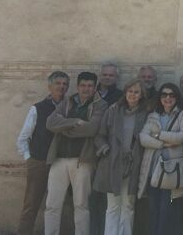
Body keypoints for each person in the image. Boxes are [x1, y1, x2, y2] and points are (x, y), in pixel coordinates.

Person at [45, 71, 107, 235]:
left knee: (81, 205)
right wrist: (74, 122)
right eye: (83, 85)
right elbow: (50, 123)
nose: (86, 89)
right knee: (52, 204)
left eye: (90, 86)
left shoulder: (101, 105)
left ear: (95, 88)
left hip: (83, 161)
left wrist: (64, 128)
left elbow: (92, 129)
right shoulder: (67, 101)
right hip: (58, 159)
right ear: (77, 86)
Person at [93, 79, 150, 235]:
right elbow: (100, 136)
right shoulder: (113, 110)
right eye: (130, 91)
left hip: (133, 165)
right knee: (112, 206)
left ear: (141, 95)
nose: (132, 95)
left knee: (128, 205)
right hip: (113, 165)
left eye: (136, 92)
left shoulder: (146, 114)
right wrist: (106, 150)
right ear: (125, 93)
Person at [16, 70, 69, 235]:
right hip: (39, 161)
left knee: (57, 204)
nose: (61, 87)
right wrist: (29, 158)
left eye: (65, 84)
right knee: (31, 203)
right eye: (58, 83)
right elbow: (23, 137)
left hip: (61, 162)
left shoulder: (71, 106)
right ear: (49, 86)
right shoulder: (37, 108)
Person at [139, 82, 183, 235]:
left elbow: (182, 136)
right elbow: (143, 138)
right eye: (164, 95)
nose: (168, 98)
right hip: (152, 169)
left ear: (176, 97)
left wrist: (157, 135)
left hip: (170, 171)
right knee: (153, 211)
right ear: (159, 97)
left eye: (171, 95)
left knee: (167, 212)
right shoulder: (153, 115)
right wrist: (163, 143)